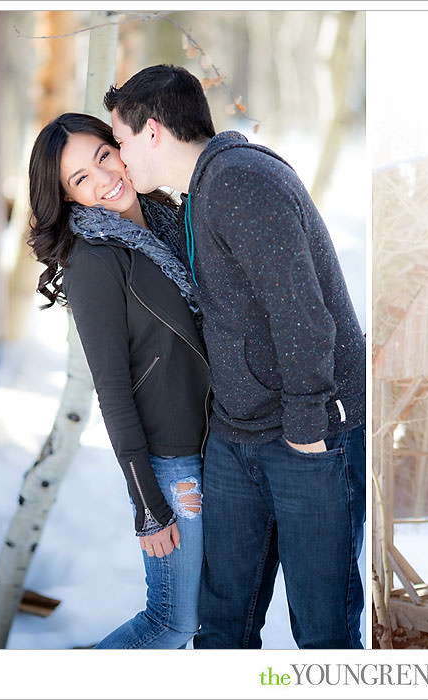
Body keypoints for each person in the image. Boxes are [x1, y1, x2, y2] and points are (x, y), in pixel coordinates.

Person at [103, 64, 366, 649]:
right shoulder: (200, 193)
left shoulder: (242, 181)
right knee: (222, 625)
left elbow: (303, 312)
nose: (119, 158)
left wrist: (304, 426)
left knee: (323, 630)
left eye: (119, 141)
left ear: (152, 132)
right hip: (239, 435)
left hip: (310, 431)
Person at [27, 112, 210, 648]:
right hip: (171, 459)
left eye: (103, 156)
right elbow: (112, 390)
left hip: (218, 439)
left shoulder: (171, 220)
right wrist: (146, 504)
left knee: (209, 613)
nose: (104, 179)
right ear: (69, 199)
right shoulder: (93, 260)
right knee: (171, 621)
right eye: (80, 179)